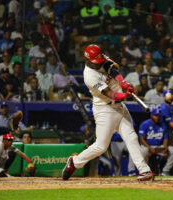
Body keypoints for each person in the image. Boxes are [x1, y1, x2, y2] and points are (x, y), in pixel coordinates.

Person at [62, 44, 154, 181]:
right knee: (101, 146)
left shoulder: (100, 58)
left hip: (119, 107)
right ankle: (74, 162)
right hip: (104, 109)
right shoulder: (89, 76)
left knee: (131, 137)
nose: (99, 62)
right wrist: (125, 95)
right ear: (88, 60)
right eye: (96, 61)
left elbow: (112, 69)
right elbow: (110, 94)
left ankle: (144, 170)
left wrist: (123, 83)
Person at [139, 108, 173, 176]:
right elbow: (142, 139)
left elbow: (165, 138)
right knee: (143, 151)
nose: (157, 117)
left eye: (158, 115)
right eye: (155, 115)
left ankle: (166, 170)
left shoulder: (163, 125)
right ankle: (145, 170)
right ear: (151, 115)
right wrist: (150, 148)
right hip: (148, 147)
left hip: (159, 147)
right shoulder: (145, 124)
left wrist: (165, 147)